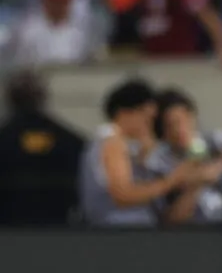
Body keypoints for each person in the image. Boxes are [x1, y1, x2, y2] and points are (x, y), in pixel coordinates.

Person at [79, 78, 215, 226]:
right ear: (126, 113)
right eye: (147, 119)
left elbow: (195, 160)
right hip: (121, 230)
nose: (149, 126)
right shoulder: (112, 143)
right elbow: (123, 195)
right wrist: (171, 181)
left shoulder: (130, 147)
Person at [147, 87, 222, 224]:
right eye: (171, 125)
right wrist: (197, 181)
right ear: (162, 132)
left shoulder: (218, 141)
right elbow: (170, 221)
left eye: (184, 120)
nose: (180, 129)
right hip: (191, 236)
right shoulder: (158, 162)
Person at [0, 71, 85, 226]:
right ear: (43, 98)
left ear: (9, 99)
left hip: (8, 230)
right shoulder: (72, 141)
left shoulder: (4, 138)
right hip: (58, 227)